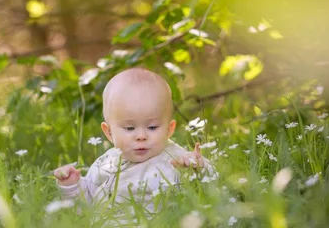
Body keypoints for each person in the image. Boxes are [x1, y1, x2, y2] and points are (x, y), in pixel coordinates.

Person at [53, 67, 217, 212]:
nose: (141, 136)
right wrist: (72, 186)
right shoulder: (105, 163)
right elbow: (84, 207)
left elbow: (212, 189)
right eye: (130, 128)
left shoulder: (176, 161)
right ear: (109, 133)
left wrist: (199, 169)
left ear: (169, 129)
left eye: (152, 127)